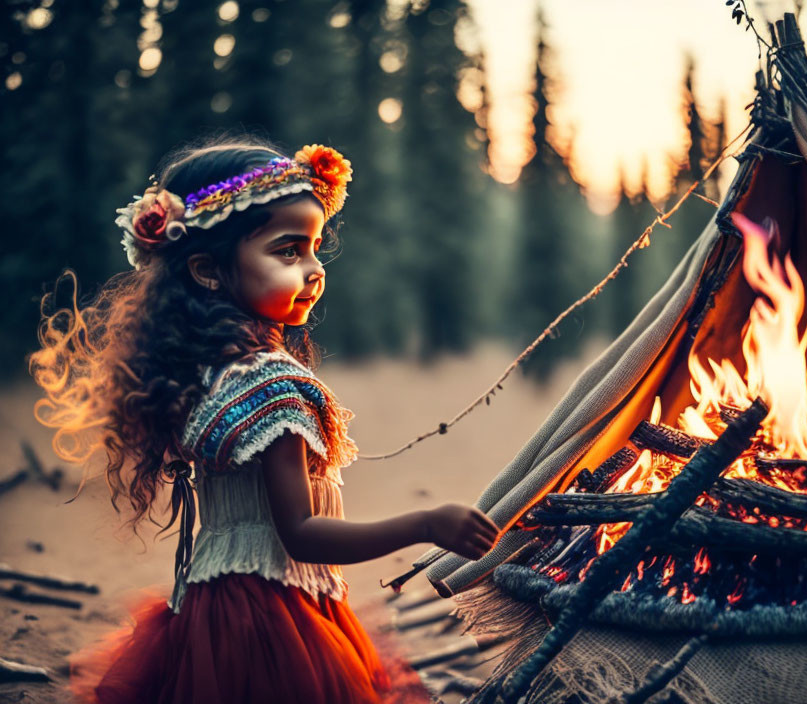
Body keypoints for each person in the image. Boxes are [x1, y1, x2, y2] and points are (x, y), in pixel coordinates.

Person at [29, 135, 499, 703]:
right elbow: (301, 535)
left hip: (212, 608)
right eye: (287, 251)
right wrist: (427, 524)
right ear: (207, 269)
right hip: (270, 620)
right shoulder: (269, 386)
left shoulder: (211, 373)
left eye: (313, 247)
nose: (313, 268)